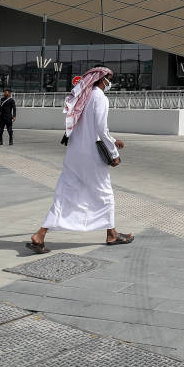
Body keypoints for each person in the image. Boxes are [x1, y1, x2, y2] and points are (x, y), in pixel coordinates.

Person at [27, 67, 131, 253]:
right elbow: (100, 128)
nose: (110, 82)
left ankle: (40, 234)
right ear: (101, 79)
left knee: (65, 193)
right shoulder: (100, 97)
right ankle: (112, 234)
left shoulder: (84, 97)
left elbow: (86, 128)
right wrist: (114, 153)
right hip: (92, 157)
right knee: (104, 193)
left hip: (75, 154)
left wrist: (114, 141)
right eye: (109, 79)